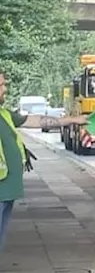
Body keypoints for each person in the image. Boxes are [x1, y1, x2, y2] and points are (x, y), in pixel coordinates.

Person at [0, 71, 87, 257]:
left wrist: (71, 120)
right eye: (0, 85)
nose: (5, 89)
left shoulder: (4, 114)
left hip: (7, 189)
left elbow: (35, 120)